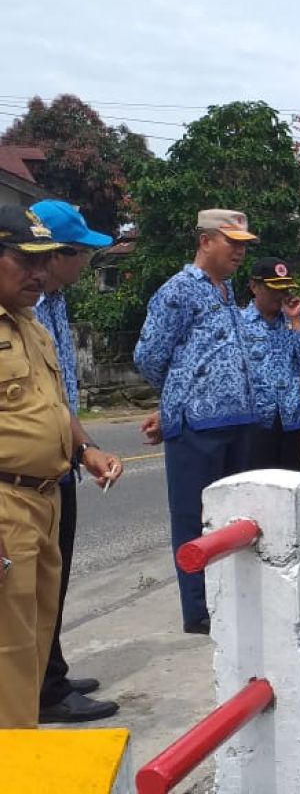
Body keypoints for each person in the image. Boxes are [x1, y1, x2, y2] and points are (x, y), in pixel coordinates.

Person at [134, 209, 258, 635]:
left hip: (239, 418)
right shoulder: (178, 291)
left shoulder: (226, 289)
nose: (240, 252)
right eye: (232, 243)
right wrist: (181, 392)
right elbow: (149, 355)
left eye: (243, 244)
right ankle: (198, 608)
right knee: (194, 517)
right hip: (197, 424)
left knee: (235, 517)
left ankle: (231, 597)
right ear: (206, 241)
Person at [29, 201, 124, 723]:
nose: (89, 260)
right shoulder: (24, 306)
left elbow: (58, 394)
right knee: (32, 587)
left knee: (54, 576)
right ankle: (45, 689)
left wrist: (84, 447)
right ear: (56, 254)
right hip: (26, 473)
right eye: (83, 251)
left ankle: (52, 671)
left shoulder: (55, 302)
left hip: (59, 460)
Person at [0, 206, 73, 728]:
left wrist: (86, 449)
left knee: (33, 645)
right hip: (6, 507)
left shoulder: (31, 326)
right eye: (25, 260)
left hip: (45, 501)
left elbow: (50, 407)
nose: (40, 273)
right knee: (7, 651)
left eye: (45, 260)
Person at [242, 258, 300, 472]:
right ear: (255, 287)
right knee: (258, 488)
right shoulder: (240, 323)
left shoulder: (298, 320)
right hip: (255, 422)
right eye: (274, 289)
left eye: (285, 288)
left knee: (289, 486)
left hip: (290, 418)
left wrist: (295, 322)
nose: (281, 295)